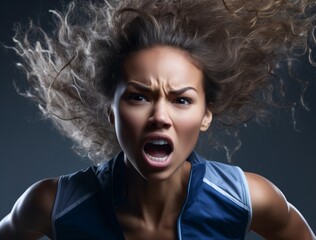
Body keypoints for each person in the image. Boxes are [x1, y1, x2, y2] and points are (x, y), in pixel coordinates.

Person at [0, 0, 315, 239]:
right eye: (138, 97)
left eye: (181, 100)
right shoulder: (52, 204)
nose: (160, 117)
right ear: (111, 112)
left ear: (206, 115)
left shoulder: (248, 199)